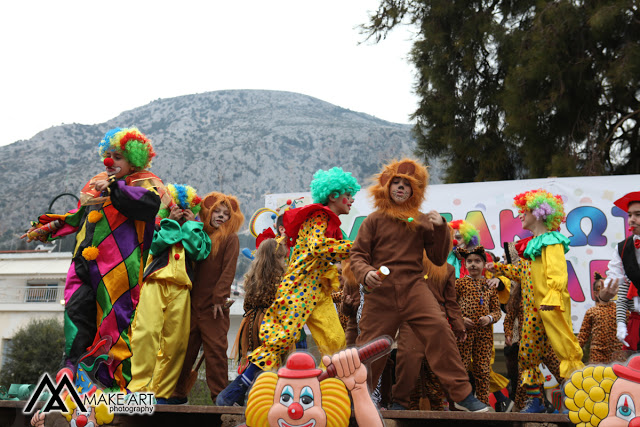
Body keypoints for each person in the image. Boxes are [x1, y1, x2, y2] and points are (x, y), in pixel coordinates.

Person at [23, 127, 165, 391]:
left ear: (133, 160)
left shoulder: (145, 182)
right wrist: (47, 228)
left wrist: (113, 188)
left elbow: (148, 204)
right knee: (76, 312)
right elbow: (77, 215)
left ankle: (108, 382)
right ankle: (71, 369)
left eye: (118, 157)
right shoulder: (95, 183)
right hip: (83, 264)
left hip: (118, 268)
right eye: (108, 155)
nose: (109, 161)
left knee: (113, 323)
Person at [349, 158, 488, 412]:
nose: (401, 188)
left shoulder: (422, 221)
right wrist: (365, 271)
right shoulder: (373, 220)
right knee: (370, 347)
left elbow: (436, 258)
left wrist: (440, 230)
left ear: (416, 190)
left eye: (407, 185)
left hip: (414, 288)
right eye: (396, 183)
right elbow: (357, 255)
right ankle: (357, 401)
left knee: (438, 329)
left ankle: (463, 395)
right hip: (381, 293)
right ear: (387, 187)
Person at [217, 167, 360, 406]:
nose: (352, 199)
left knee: (335, 341)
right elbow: (318, 248)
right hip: (300, 288)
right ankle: (234, 391)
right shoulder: (318, 216)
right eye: (348, 193)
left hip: (319, 293)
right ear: (333, 195)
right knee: (279, 340)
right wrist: (357, 246)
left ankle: (334, 396)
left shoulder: (329, 222)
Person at [490, 189, 583, 413]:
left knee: (565, 348)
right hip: (532, 309)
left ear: (540, 213)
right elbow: (522, 272)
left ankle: (581, 398)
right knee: (527, 354)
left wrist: (552, 297)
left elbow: (558, 273)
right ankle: (537, 402)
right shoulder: (532, 246)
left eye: (524, 211)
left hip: (551, 304)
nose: (520, 215)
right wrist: (497, 268)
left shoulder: (551, 241)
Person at [128, 184, 211, 402]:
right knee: (145, 334)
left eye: (186, 208)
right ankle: (138, 389)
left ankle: (161, 393)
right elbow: (154, 246)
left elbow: (199, 252)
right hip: (155, 284)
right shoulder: (157, 226)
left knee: (176, 343)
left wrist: (191, 225)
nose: (181, 211)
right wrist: (172, 222)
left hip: (182, 290)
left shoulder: (196, 231)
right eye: (178, 207)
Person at [170, 192, 244, 404]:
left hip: (215, 308)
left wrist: (219, 298)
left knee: (215, 352)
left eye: (226, 214)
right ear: (207, 213)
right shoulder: (199, 235)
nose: (220, 216)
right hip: (192, 305)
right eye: (216, 212)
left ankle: (219, 397)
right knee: (184, 351)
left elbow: (228, 271)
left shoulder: (231, 239)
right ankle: (176, 393)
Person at [235, 234, 288, 373]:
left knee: (253, 360)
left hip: (250, 325)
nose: (284, 261)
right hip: (271, 326)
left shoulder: (252, 278)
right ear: (275, 259)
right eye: (282, 257)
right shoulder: (280, 279)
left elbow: (246, 305)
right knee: (273, 364)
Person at [455, 246, 501, 405]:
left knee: (483, 369)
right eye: (469, 261)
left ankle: (483, 403)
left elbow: (497, 311)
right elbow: (450, 307)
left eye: (477, 261)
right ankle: (459, 401)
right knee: (461, 367)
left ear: (483, 264)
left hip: (484, 335)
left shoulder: (489, 286)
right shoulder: (459, 284)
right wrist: (460, 319)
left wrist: (489, 318)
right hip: (463, 334)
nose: (473, 264)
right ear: (465, 265)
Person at [598, 191, 640, 351]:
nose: (632, 220)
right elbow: (614, 280)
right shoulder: (622, 248)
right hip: (636, 322)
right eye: (630, 215)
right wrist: (604, 294)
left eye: (638, 214)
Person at [578, 273, 623, 364]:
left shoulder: (620, 310)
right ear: (595, 293)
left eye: (606, 287)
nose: (604, 290)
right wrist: (570, 354)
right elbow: (582, 336)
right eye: (600, 288)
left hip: (617, 356)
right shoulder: (591, 312)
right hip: (597, 357)